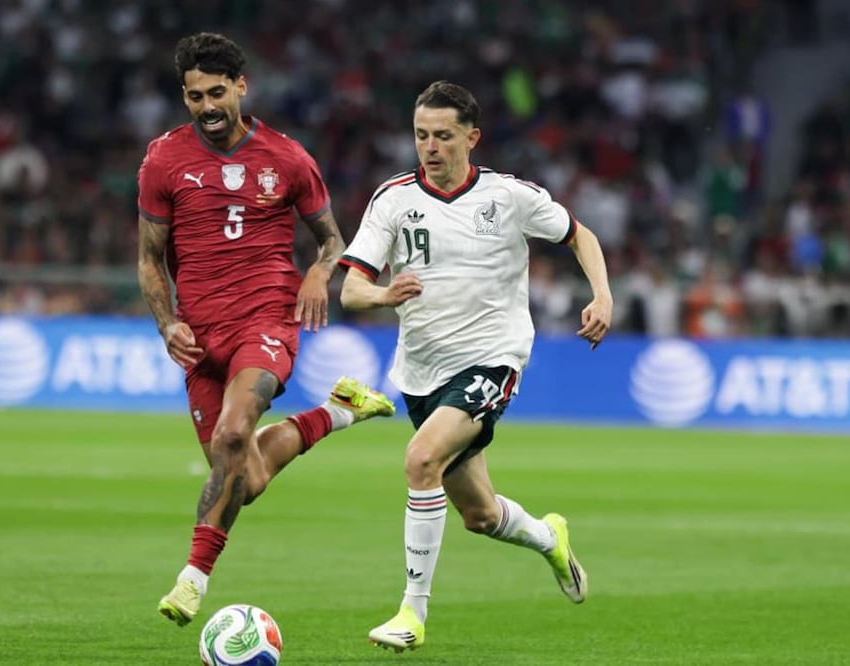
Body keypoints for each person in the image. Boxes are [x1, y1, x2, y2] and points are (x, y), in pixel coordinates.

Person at [339, 81, 613, 651]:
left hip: (493, 357)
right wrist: (385, 295)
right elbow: (352, 291)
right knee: (481, 516)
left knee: (420, 460)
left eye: (442, 135)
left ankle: (412, 615)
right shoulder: (392, 199)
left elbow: (578, 235)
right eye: (421, 135)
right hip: (420, 371)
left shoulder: (509, 196)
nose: (430, 147)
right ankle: (550, 539)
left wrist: (603, 295)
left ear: (472, 137)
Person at [136, 32, 395, 627]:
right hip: (200, 337)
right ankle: (336, 412)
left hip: (266, 318)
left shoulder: (287, 158)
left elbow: (333, 239)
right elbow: (150, 257)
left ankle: (192, 580)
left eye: (217, 93)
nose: (206, 107)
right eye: (195, 96)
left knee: (232, 436)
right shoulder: (163, 160)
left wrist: (318, 274)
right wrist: (166, 321)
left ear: (242, 88)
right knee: (243, 478)